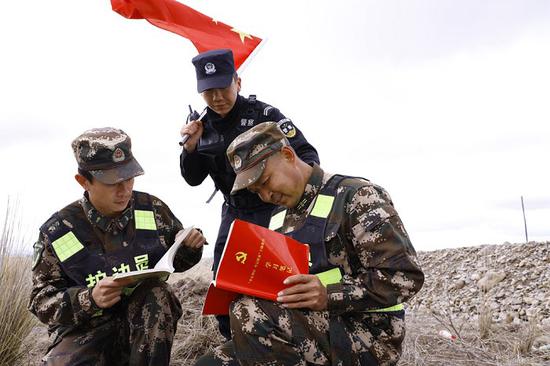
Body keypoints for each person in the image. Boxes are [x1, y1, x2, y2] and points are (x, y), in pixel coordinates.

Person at [195, 122, 424, 366]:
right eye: (255, 190)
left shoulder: (357, 196)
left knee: (251, 313)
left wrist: (329, 294)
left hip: (366, 334)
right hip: (305, 324)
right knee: (209, 363)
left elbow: (405, 277)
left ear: (287, 155)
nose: (265, 195)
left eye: (266, 180)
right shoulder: (277, 216)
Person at [29, 127, 206, 366]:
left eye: (129, 178)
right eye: (112, 182)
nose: (124, 190)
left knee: (158, 294)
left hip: (144, 324)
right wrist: (89, 298)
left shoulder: (151, 209)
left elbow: (177, 260)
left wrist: (189, 248)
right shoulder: (60, 231)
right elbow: (41, 302)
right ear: (83, 182)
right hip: (86, 332)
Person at [179, 48, 320, 338]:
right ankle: (234, 342)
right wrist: (189, 147)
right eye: (208, 92)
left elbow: (307, 154)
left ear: (238, 82)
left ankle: (284, 339)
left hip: (274, 208)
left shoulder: (264, 116)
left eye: (223, 88)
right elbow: (192, 179)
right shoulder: (200, 127)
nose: (217, 98)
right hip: (234, 212)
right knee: (224, 281)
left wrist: (297, 199)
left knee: (278, 278)